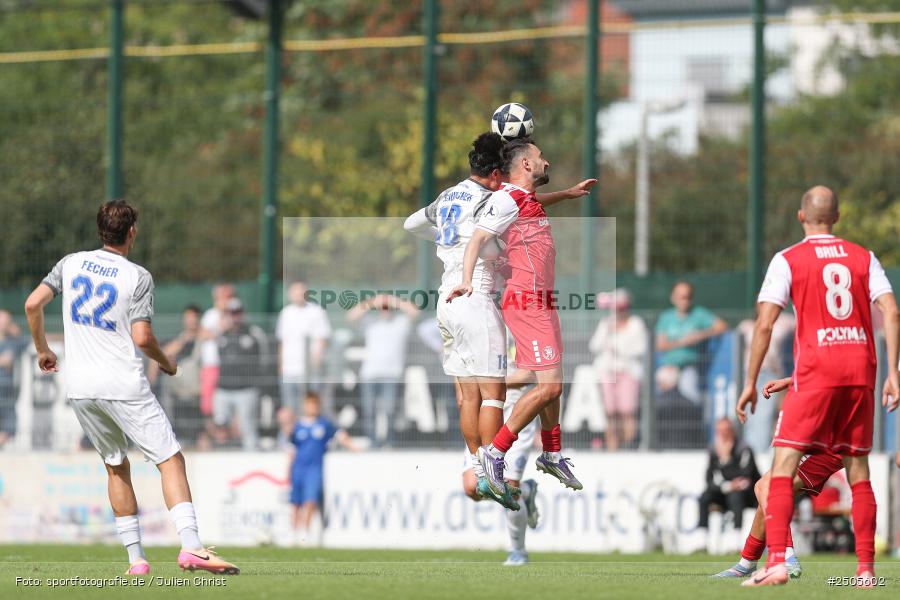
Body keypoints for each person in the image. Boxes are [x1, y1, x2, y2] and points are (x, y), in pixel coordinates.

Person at [23, 200, 238, 575]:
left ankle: (136, 559)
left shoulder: (70, 263)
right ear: (132, 232)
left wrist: (43, 349)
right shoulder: (137, 276)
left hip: (80, 387)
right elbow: (142, 337)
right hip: (122, 383)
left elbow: (31, 304)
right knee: (170, 459)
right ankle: (192, 548)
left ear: (99, 230)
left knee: (115, 465)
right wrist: (167, 362)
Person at [405, 132, 593, 509]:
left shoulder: (450, 197)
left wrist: (447, 241)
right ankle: (494, 465)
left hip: (447, 296)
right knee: (494, 395)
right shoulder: (495, 198)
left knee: (467, 396)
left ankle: (485, 465)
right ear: (497, 172)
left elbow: (412, 224)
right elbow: (503, 212)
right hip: (474, 292)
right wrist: (470, 265)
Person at [736, 186, 899, 587]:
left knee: (780, 471)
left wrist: (750, 380)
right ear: (838, 217)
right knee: (859, 472)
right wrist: (893, 372)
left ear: (800, 217)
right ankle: (865, 573)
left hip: (816, 373)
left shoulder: (788, 258)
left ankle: (777, 563)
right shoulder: (864, 257)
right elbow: (891, 311)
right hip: (862, 371)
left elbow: (765, 324)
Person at [713, 376, 845, 579]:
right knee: (764, 489)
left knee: (767, 488)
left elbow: (825, 373)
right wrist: (789, 381)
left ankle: (783, 552)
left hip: (829, 444)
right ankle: (747, 562)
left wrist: (788, 382)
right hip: (824, 439)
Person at [461, 367, 540, 565]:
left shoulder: (519, 334)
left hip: (516, 413)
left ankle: (518, 552)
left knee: (509, 488)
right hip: (482, 411)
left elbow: (534, 374)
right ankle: (527, 491)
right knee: (472, 487)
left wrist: (492, 386)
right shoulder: (476, 336)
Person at [282, 391, 356, 546]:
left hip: (314, 470)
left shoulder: (324, 424)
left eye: (315, 404)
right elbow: (291, 449)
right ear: (305, 405)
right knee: (295, 503)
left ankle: (305, 533)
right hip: (298, 470)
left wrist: (353, 447)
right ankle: (293, 533)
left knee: (310, 502)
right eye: (309, 404)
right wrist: (288, 470)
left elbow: (340, 435)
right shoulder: (298, 426)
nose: (312, 407)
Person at [347, 293, 419, 448]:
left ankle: (390, 442)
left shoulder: (401, 323)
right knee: (369, 410)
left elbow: (414, 312)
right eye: (383, 307)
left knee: (390, 410)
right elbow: (351, 315)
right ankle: (373, 442)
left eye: (388, 307)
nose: (385, 309)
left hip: (392, 374)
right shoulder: (370, 323)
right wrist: (374, 301)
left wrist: (392, 300)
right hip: (369, 374)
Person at [590, 289, 647, 450]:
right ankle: (612, 447)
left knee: (627, 411)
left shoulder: (636, 323)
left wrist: (619, 349)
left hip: (629, 371)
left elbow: (641, 348)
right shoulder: (606, 323)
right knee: (610, 412)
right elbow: (594, 345)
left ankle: (628, 445)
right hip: (608, 372)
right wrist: (608, 329)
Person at [655, 281, 728, 404]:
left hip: (689, 367)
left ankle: (692, 422)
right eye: (681, 297)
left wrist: (701, 335)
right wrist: (682, 342)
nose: (685, 300)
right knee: (663, 400)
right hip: (669, 367)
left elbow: (722, 326)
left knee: (691, 399)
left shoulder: (699, 314)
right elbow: (661, 345)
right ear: (673, 297)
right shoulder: (666, 317)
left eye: (688, 297)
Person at [148, 305, 208, 449]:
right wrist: (184, 341)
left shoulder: (205, 337)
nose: (191, 321)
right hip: (178, 394)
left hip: (198, 394)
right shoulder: (181, 339)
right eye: (188, 318)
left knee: (201, 432)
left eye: (194, 318)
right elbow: (163, 354)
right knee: (178, 430)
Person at [736, 312, 795, 453]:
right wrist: (750, 382)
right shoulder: (745, 326)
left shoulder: (784, 323)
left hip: (771, 376)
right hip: (749, 376)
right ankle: (751, 453)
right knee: (749, 417)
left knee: (765, 417)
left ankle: (759, 452)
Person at [212, 297, 265, 450]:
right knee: (221, 428)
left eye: (237, 312)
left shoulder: (253, 333)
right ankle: (221, 456)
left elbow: (263, 360)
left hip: (246, 390)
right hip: (223, 390)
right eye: (231, 313)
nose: (235, 316)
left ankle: (250, 460)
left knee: (247, 428)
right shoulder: (221, 335)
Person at [697, 418, 761, 545]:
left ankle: (735, 541)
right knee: (704, 497)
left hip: (748, 495)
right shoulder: (713, 450)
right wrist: (727, 486)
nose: (723, 434)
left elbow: (745, 477)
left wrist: (726, 461)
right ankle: (702, 541)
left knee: (735, 497)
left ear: (733, 431)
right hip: (725, 490)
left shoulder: (743, 449)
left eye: (726, 431)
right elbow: (709, 479)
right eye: (719, 431)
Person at [276, 281, 331, 412]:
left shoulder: (316, 311)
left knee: (310, 408)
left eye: (301, 291)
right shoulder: (286, 313)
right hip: (289, 370)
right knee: (290, 407)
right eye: (295, 291)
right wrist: (281, 365)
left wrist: (314, 364)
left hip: (309, 371)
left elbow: (322, 338)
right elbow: (282, 341)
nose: (298, 294)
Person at [198, 283, 235, 418]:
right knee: (209, 404)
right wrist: (219, 328)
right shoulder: (210, 315)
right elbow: (203, 335)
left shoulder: (234, 315)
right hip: (211, 364)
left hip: (230, 366)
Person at [0, 310, 27, 448]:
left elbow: (28, 343)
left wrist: (17, 331)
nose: (5, 324)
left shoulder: (13, 342)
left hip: (7, 393)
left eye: (7, 321)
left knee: (11, 427)